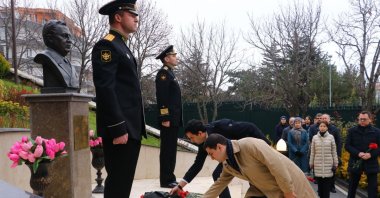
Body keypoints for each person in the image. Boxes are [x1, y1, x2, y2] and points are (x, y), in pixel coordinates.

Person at [91, 0, 146, 197]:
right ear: (118, 17)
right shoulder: (107, 45)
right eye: (132, 14)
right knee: (118, 183)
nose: (136, 18)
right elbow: (106, 89)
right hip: (121, 129)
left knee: (123, 182)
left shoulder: (121, 45)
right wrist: (117, 128)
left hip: (130, 127)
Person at [170, 119, 270, 198]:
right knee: (218, 174)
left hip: (250, 149)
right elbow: (197, 165)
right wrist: (179, 186)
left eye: (191, 138)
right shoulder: (202, 143)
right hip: (232, 156)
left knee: (254, 178)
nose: (191, 141)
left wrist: (267, 146)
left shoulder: (223, 127)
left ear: (200, 133)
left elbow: (250, 127)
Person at [202, 134, 317, 198]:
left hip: (292, 186)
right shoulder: (228, 164)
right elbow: (219, 184)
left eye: (211, 154)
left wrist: (288, 192)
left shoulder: (249, 144)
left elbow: (277, 166)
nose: (212, 158)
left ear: (219, 147)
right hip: (268, 192)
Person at [155, 45, 183, 188]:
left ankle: (170, 177)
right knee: (167, 150)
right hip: (168, 120)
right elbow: (162, 98)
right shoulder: (163, 74)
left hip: (174, 119)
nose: (176, 57)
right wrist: (165, 118)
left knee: (171, 149)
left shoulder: (171, 73)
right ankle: (166, 180)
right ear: (166, 58)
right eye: (173, 55)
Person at [34, 20, 79, 93]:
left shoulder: (68, 63)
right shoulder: (46, 57)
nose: (70, 41)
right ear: (50, 38)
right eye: (65, 36)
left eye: (70, 37)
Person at [345, 111, 380, 198]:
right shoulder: (352, 131)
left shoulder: (377, 132)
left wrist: (371, 155)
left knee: (372, 188)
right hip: (355, 161)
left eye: (364, 119)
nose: (362, 121)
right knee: (352, 187)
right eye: (360, 119)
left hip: (371, 163)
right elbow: (347, 146)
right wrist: (358, 153)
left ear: (370, 120)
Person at [309, 121, 338, 198]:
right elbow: (312, 152)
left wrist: (335, 163)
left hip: (328, 165)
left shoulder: (331, 137)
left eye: (324, 126)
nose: (322, 128)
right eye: (321, 126)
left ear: (327, 127)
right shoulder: (314, 138)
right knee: (320, 188)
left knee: (326, 188)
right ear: (318, 127)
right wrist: (311, 163)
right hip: (318, 164)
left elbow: (334, 151)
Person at [320, 113, 342, 193]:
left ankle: (331, 186)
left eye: (326, 118)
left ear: (329, 119)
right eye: (322, 118)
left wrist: (338, 155)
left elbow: (339, 142)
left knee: (332, 171)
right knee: (321, 171)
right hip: (321, 155)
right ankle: (321, 187)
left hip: (331, 155)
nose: (324, 120)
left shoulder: (334, 129)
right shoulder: (318, 130)